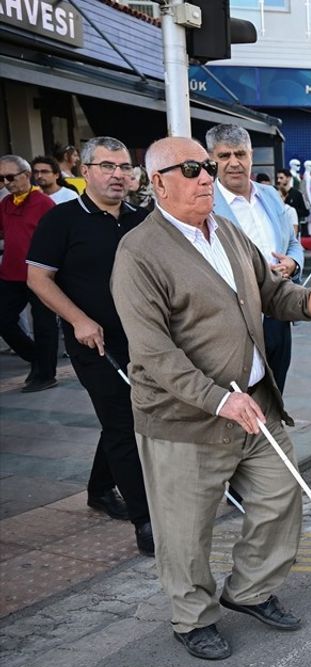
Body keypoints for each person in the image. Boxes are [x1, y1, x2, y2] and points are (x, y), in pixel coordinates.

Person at [110, 136, 311, 660]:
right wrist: (217, 400)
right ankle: (192, 618)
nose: (206, 177)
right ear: (158, 182)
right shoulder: (139, 251)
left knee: (281, 498)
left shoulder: (227, 233)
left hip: (255, 402)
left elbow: (274, 294)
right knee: (185, 528)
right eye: (191, 169)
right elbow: (152, 352)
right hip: (186, 417)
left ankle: (248, 590)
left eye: (208, 167)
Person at [26, 137, 154, 555]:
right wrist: (79, 319)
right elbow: (38, 278)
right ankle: (146, 520)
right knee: (123, 423)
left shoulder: (142, 219)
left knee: (125, 415)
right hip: (94, 342)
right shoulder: (61, 220)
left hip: (144, 339)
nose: (118, 175)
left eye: (124, 167)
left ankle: (100, 487)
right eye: (107, 167)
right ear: (85, 170)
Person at [207, 124, 305, 392]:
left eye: (240, 154)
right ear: (212, 159)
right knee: (241, 396)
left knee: (276, 392)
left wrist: (293, 263)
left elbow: (293, 242)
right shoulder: (205, 202)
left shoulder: (270, 195)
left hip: (276, 311)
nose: (234, 163)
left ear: (251, 156)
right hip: (235, 317)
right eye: (224, 156)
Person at [0, 154, 59, 392]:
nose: (6, 182)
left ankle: (45, 374)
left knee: (44, 324)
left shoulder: (44, 204)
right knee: (3, 320)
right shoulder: (5, 204)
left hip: (40, 274)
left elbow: (56, 240)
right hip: (11, 274)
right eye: (1, 178)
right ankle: (36, 356)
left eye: (10, 177)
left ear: (26, 176)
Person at [276, 169, 309, 237]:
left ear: (288, 178)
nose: (278, 180)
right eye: (278, 178)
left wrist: (291, 211)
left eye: (281, 178)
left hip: (293, 228)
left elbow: (306, 212)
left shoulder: (297, 194)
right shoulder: (275, 193)